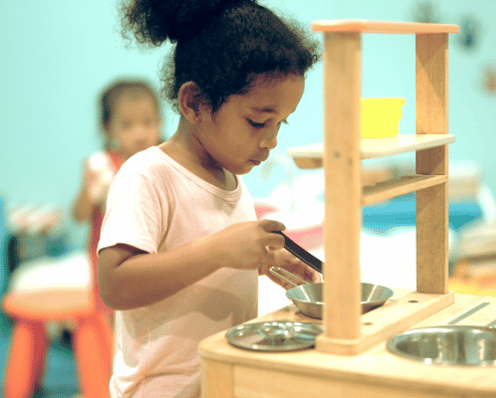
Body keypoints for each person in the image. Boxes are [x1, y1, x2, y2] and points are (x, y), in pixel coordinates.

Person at [96, 0, 321, 396]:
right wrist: (221, 250)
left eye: (279, 123)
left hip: (220, 381)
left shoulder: (231, 180)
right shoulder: (148, 175)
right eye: (257, 121)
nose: (271, 141)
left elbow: (202, 258)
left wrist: (264, 262)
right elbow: (115, 284)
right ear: (195, 104)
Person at [72, 79, 162, 318]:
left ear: (160, 122)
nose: (140, 133)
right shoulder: (101, 166)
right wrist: (88, 188)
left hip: (152, 255)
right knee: (113, 316)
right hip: (110, 259)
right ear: (108, 128)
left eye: (148, 123)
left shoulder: (162, 162)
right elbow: (79, 216)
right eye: (128, 125)